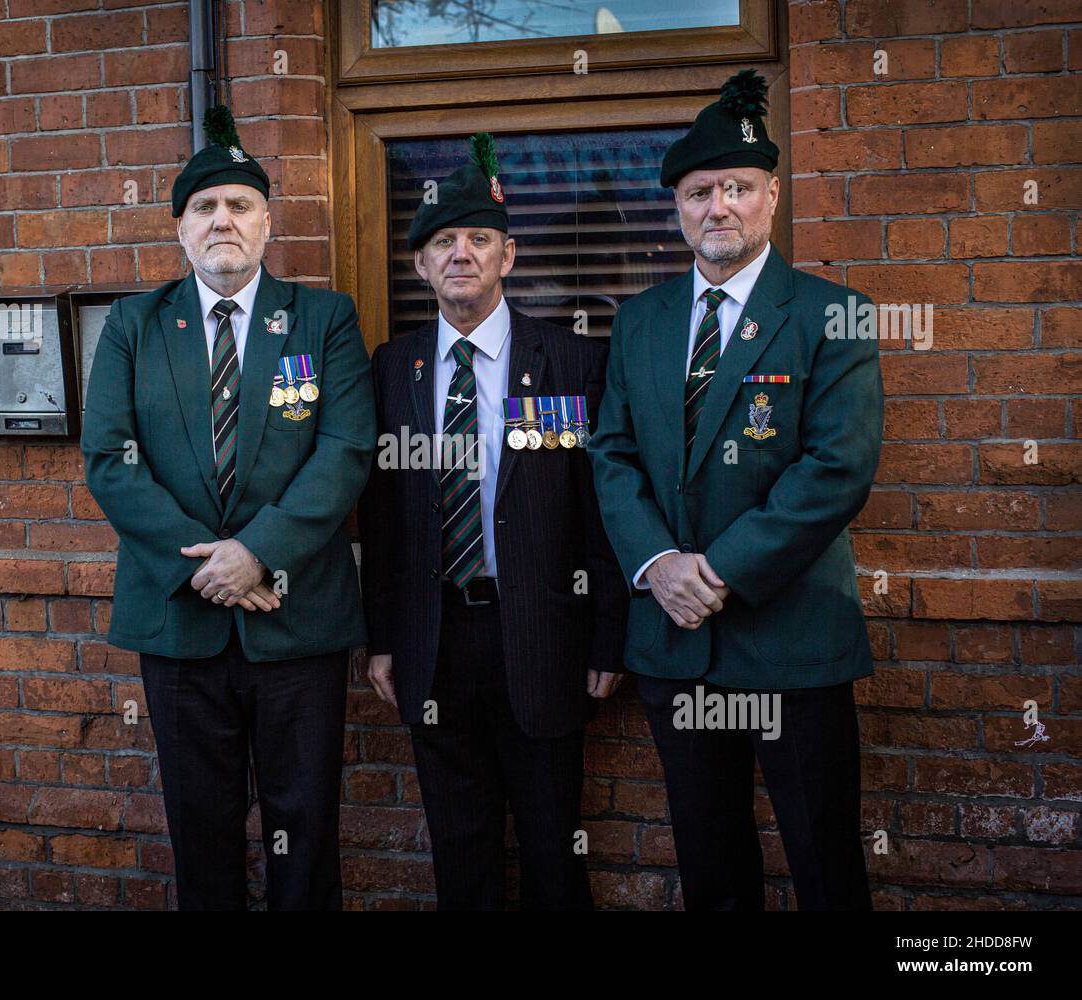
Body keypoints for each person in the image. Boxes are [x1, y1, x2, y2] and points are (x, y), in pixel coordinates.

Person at [588, 70, 883, 910]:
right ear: (677, 206)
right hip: (676, 644)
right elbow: (611, 453)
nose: (717, 206)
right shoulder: (640, 319)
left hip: (790, 638)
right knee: (709, 863)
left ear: (772, 195)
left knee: (824, 858)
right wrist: (655, 564)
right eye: (697, 192)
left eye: (736, 188)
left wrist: (712, 572)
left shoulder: (835, 316)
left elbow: (836, 471)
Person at [81, 106, 375, 910]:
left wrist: (257, 550)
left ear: (267, 221)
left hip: (297, 618)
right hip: (180, 622)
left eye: (239, 205)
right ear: (180, 229)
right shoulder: (134, 327)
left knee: (304, 824)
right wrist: (212, 565)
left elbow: (345, 450)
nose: (223, 221)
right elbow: (109, 460)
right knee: (200, 830)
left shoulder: (324, 319)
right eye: (204, 207)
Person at [360, 133, 628, 910]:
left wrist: (610, 631)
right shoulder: (392, 367)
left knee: (553, 847)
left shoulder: (572, 362)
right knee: (460, 850)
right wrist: (381, 634)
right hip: (434, 638)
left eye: (479, 239)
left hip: (544, 633)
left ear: (508, 256)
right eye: (443, 241)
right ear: (420, 265)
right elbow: (380, 513)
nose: (461, 254)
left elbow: (600, 505)